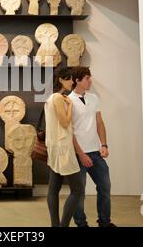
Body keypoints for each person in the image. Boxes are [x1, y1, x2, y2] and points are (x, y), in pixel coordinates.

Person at [68, 66, 116, 228]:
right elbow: (69, 132)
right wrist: (81, 154)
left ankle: (104, 222)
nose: (90, 81)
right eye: (87, 78)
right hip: (77, 154)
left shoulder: (94, 98)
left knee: (105, 187)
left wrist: (104, 145)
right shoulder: (68, 101)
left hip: (95, 152)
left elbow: (99, 123)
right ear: (77, 80)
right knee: (79, 193)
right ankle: (81, 224)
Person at [45, 67, 84, 227]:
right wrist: (72, 108)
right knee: (78, 190)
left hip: (55, 147)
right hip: (63, 148)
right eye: (69, 79)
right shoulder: (58, 98)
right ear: (61, 79)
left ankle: (55, 225)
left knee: (53, 188)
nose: (72, 82)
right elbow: (65, 122)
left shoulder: (52, 98)